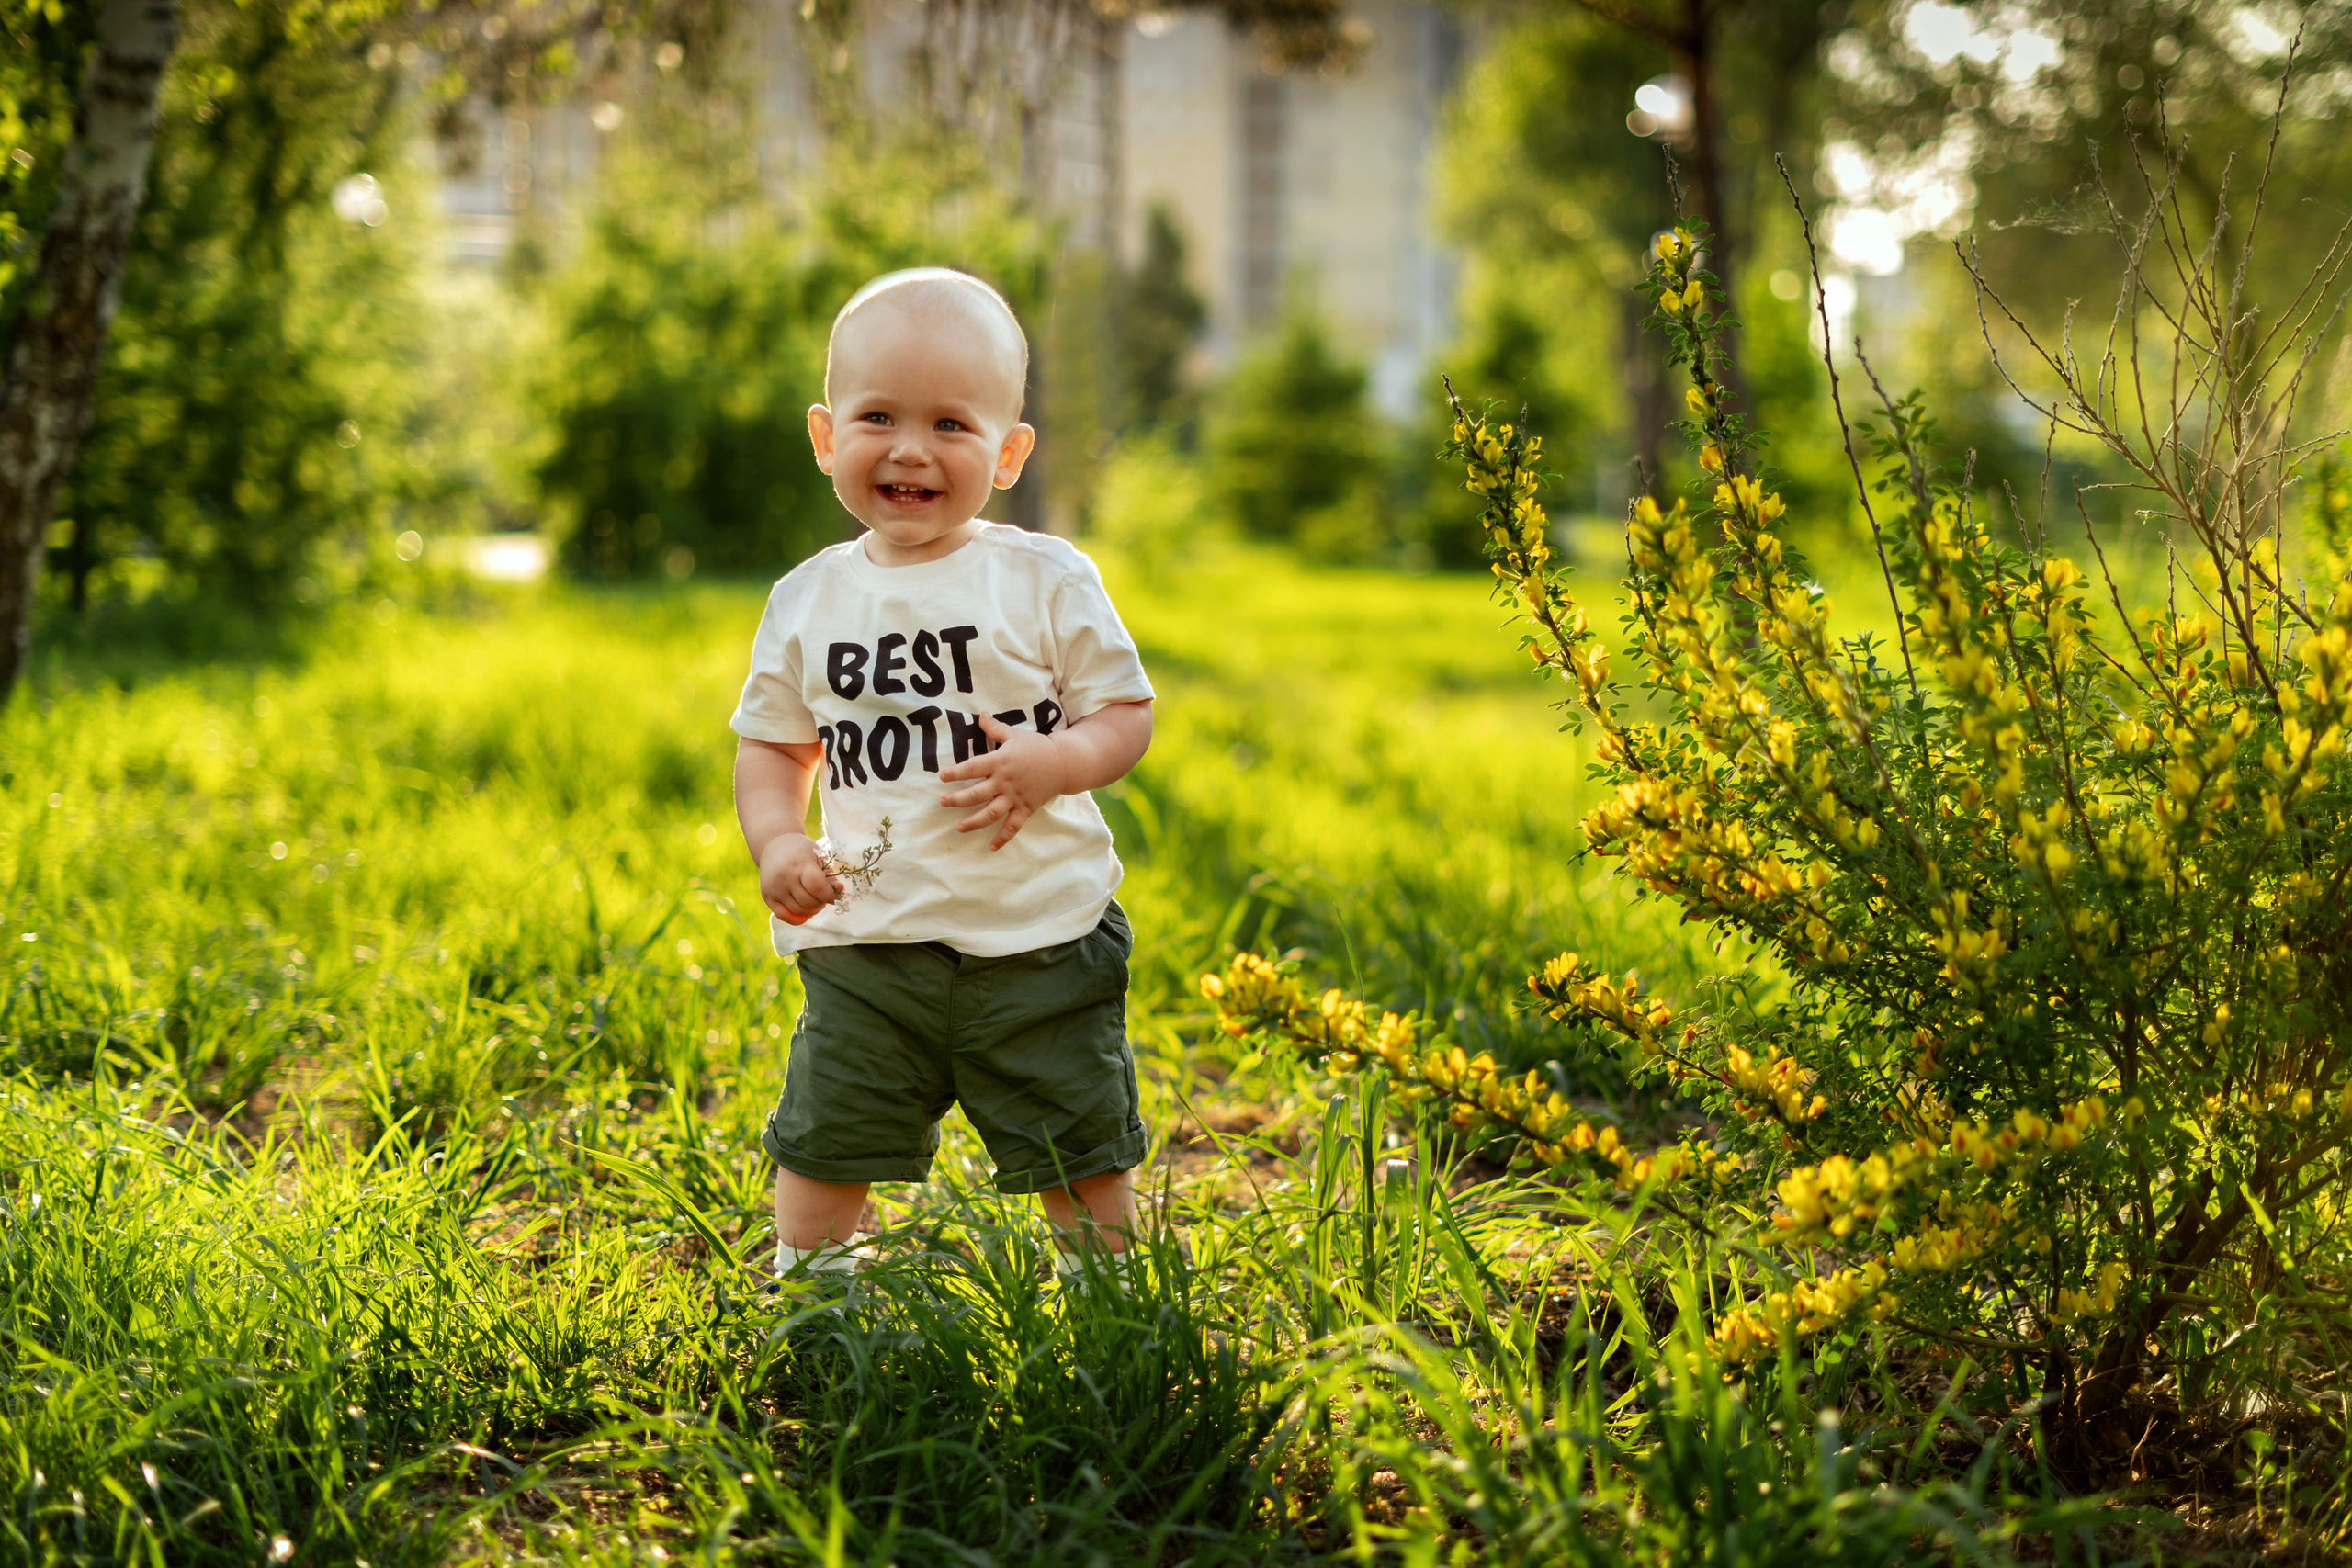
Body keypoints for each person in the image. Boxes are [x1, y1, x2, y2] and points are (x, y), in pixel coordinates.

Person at [729, 267, 1156, 1288]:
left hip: (1038, 939)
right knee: (825, 1137)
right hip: (869, 946)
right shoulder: (807, 600)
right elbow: (774, 745)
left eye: (952, 426)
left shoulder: (1043, 577)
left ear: (1007, 453)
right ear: (827, 437)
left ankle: (1106, 1298)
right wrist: (780, 840)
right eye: (878, 416)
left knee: (1078, 1148)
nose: (911, 449)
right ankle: (817, 1290)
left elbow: (1125, 714)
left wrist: (1055, 762)